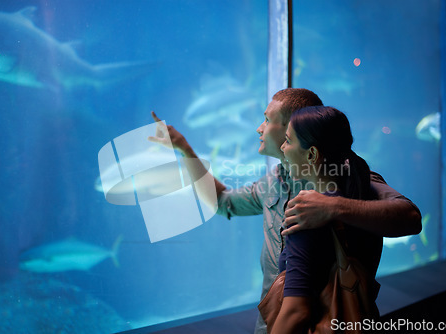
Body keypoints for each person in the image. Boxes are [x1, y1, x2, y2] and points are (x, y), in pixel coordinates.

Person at [149, 88, 421, 334]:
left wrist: (333, 206)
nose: (259, 128)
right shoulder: (273, 182)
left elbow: (409, 217)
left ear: (293, 125)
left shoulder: (351, 179)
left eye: (267, 120)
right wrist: (184, 149)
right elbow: (223, 202)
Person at [272, 105, 382, 333]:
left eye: (288, 141)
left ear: (311, 154)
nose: (282, 148)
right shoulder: (364, 201)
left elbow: (296, 312)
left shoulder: (307, 216)